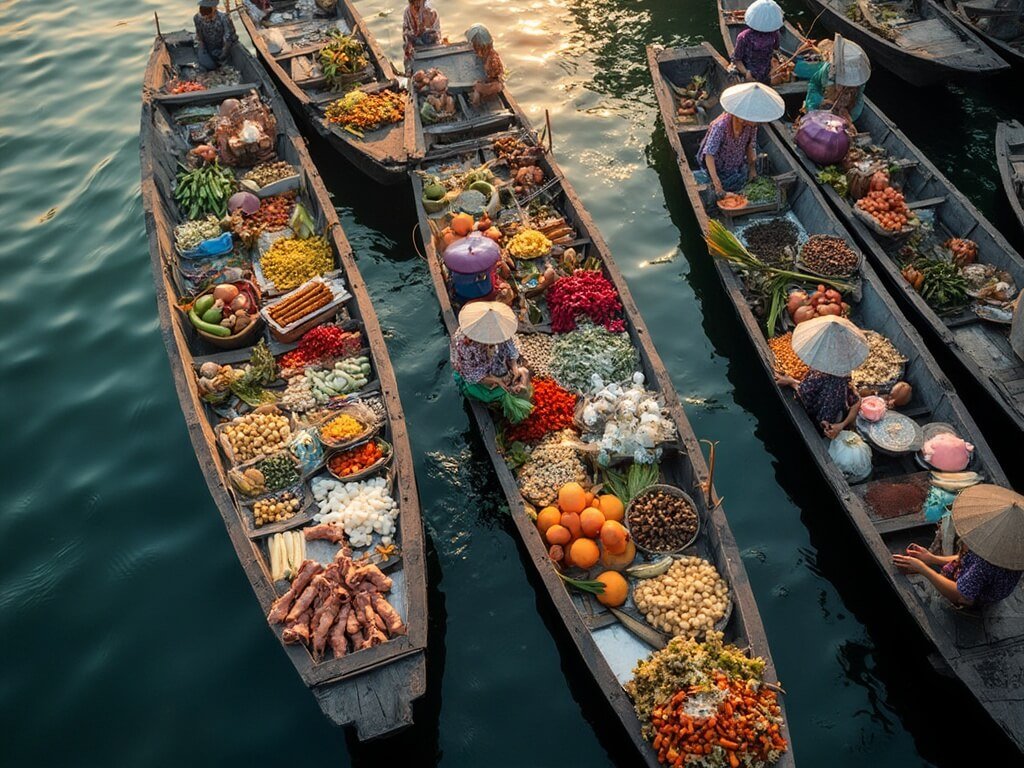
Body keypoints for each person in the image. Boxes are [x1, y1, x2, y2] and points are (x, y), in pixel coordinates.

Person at [893, 484, 1024, 607]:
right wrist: (931, 558)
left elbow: (960, 595)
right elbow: (968, 558)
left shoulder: (984, 564)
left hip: (977, 597)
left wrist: (923, 569)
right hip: (987, 579)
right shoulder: (1009, 547)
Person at [775, 315, 866, 439]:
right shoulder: (844, 376)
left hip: (822, 418)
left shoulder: (818, 377)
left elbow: (803, 393)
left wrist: (790, 382)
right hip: (838, 416)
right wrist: (841, 425)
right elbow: (857, 401)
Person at [696, 82, 784, 195]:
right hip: (717, 168)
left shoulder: (751, 126)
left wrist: (752, 170)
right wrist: (716, 182)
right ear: (742, 117)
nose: (758, 121)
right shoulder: (720, 126)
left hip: (736, 164)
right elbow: (709, 154)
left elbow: (750, 146)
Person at [450, 302, 533, 422]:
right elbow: (472, 374)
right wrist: (495, 380)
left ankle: (515, 386)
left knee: (523, 372)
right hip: (477, 374)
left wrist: (514, 366)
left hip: (496, 365)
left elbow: (510, 348)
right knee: (494, 393)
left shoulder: (500, 331)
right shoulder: (464, 345)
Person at [803, 34, 870, 123]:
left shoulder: (860, 78)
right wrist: (817, 105)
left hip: (845, 109)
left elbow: (859, 99)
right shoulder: (828, 71)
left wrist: (849, 118)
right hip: (825, 103)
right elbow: (814, 85)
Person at [729, 0, 784, 85]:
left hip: (757, 73)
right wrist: (747, 73)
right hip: (761, 74)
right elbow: (776, 49)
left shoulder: (743, 36)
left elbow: (737, 59)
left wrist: (745, 73)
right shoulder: (774, 34)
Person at [466, 24, 504, 107]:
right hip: (489, 82)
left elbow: (496, 82)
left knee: (476, 91)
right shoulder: (484, 54)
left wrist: (481, 87)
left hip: (492, 85)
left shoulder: (492, 61)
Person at [194, 0, 238, 71]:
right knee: (208, 66)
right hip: (209, 47)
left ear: (214, 8)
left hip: (223, 47)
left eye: (208, 13)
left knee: (223, 63)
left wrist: (224, 52)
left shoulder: (224, 18)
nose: (205, 17)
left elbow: (228, 36)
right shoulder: (197, 18)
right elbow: (199, 35)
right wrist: (202, 48)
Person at [402, 0, 442, 69]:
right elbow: (405, 32)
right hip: (415, 49)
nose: (414, 6)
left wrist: (425, 29)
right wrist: (409, 40)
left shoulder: (430, 12)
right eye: (412, 3)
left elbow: (436, 36)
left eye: (418, 3)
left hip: (431, 46)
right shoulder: (407, 12)